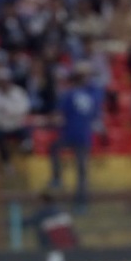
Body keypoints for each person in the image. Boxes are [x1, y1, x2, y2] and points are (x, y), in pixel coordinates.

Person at [49, 65, 103, 206]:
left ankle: (57, 178)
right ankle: (81, 202)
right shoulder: (92, 96)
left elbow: (58, 117)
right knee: (82, 171)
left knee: (54, 148)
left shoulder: (68, 94)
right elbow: (95, 114)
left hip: (69, 133)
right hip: (84, 136)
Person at [0, 68, 32, 166]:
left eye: (6, 81)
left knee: (27, 135)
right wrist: (12, 113)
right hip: (0, 127)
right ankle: (6, 163)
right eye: (1, 81)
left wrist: (8, 111)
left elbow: (24, 109)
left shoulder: (18, 92)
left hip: (17, 125)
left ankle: (26, 161)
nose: (4, 84)